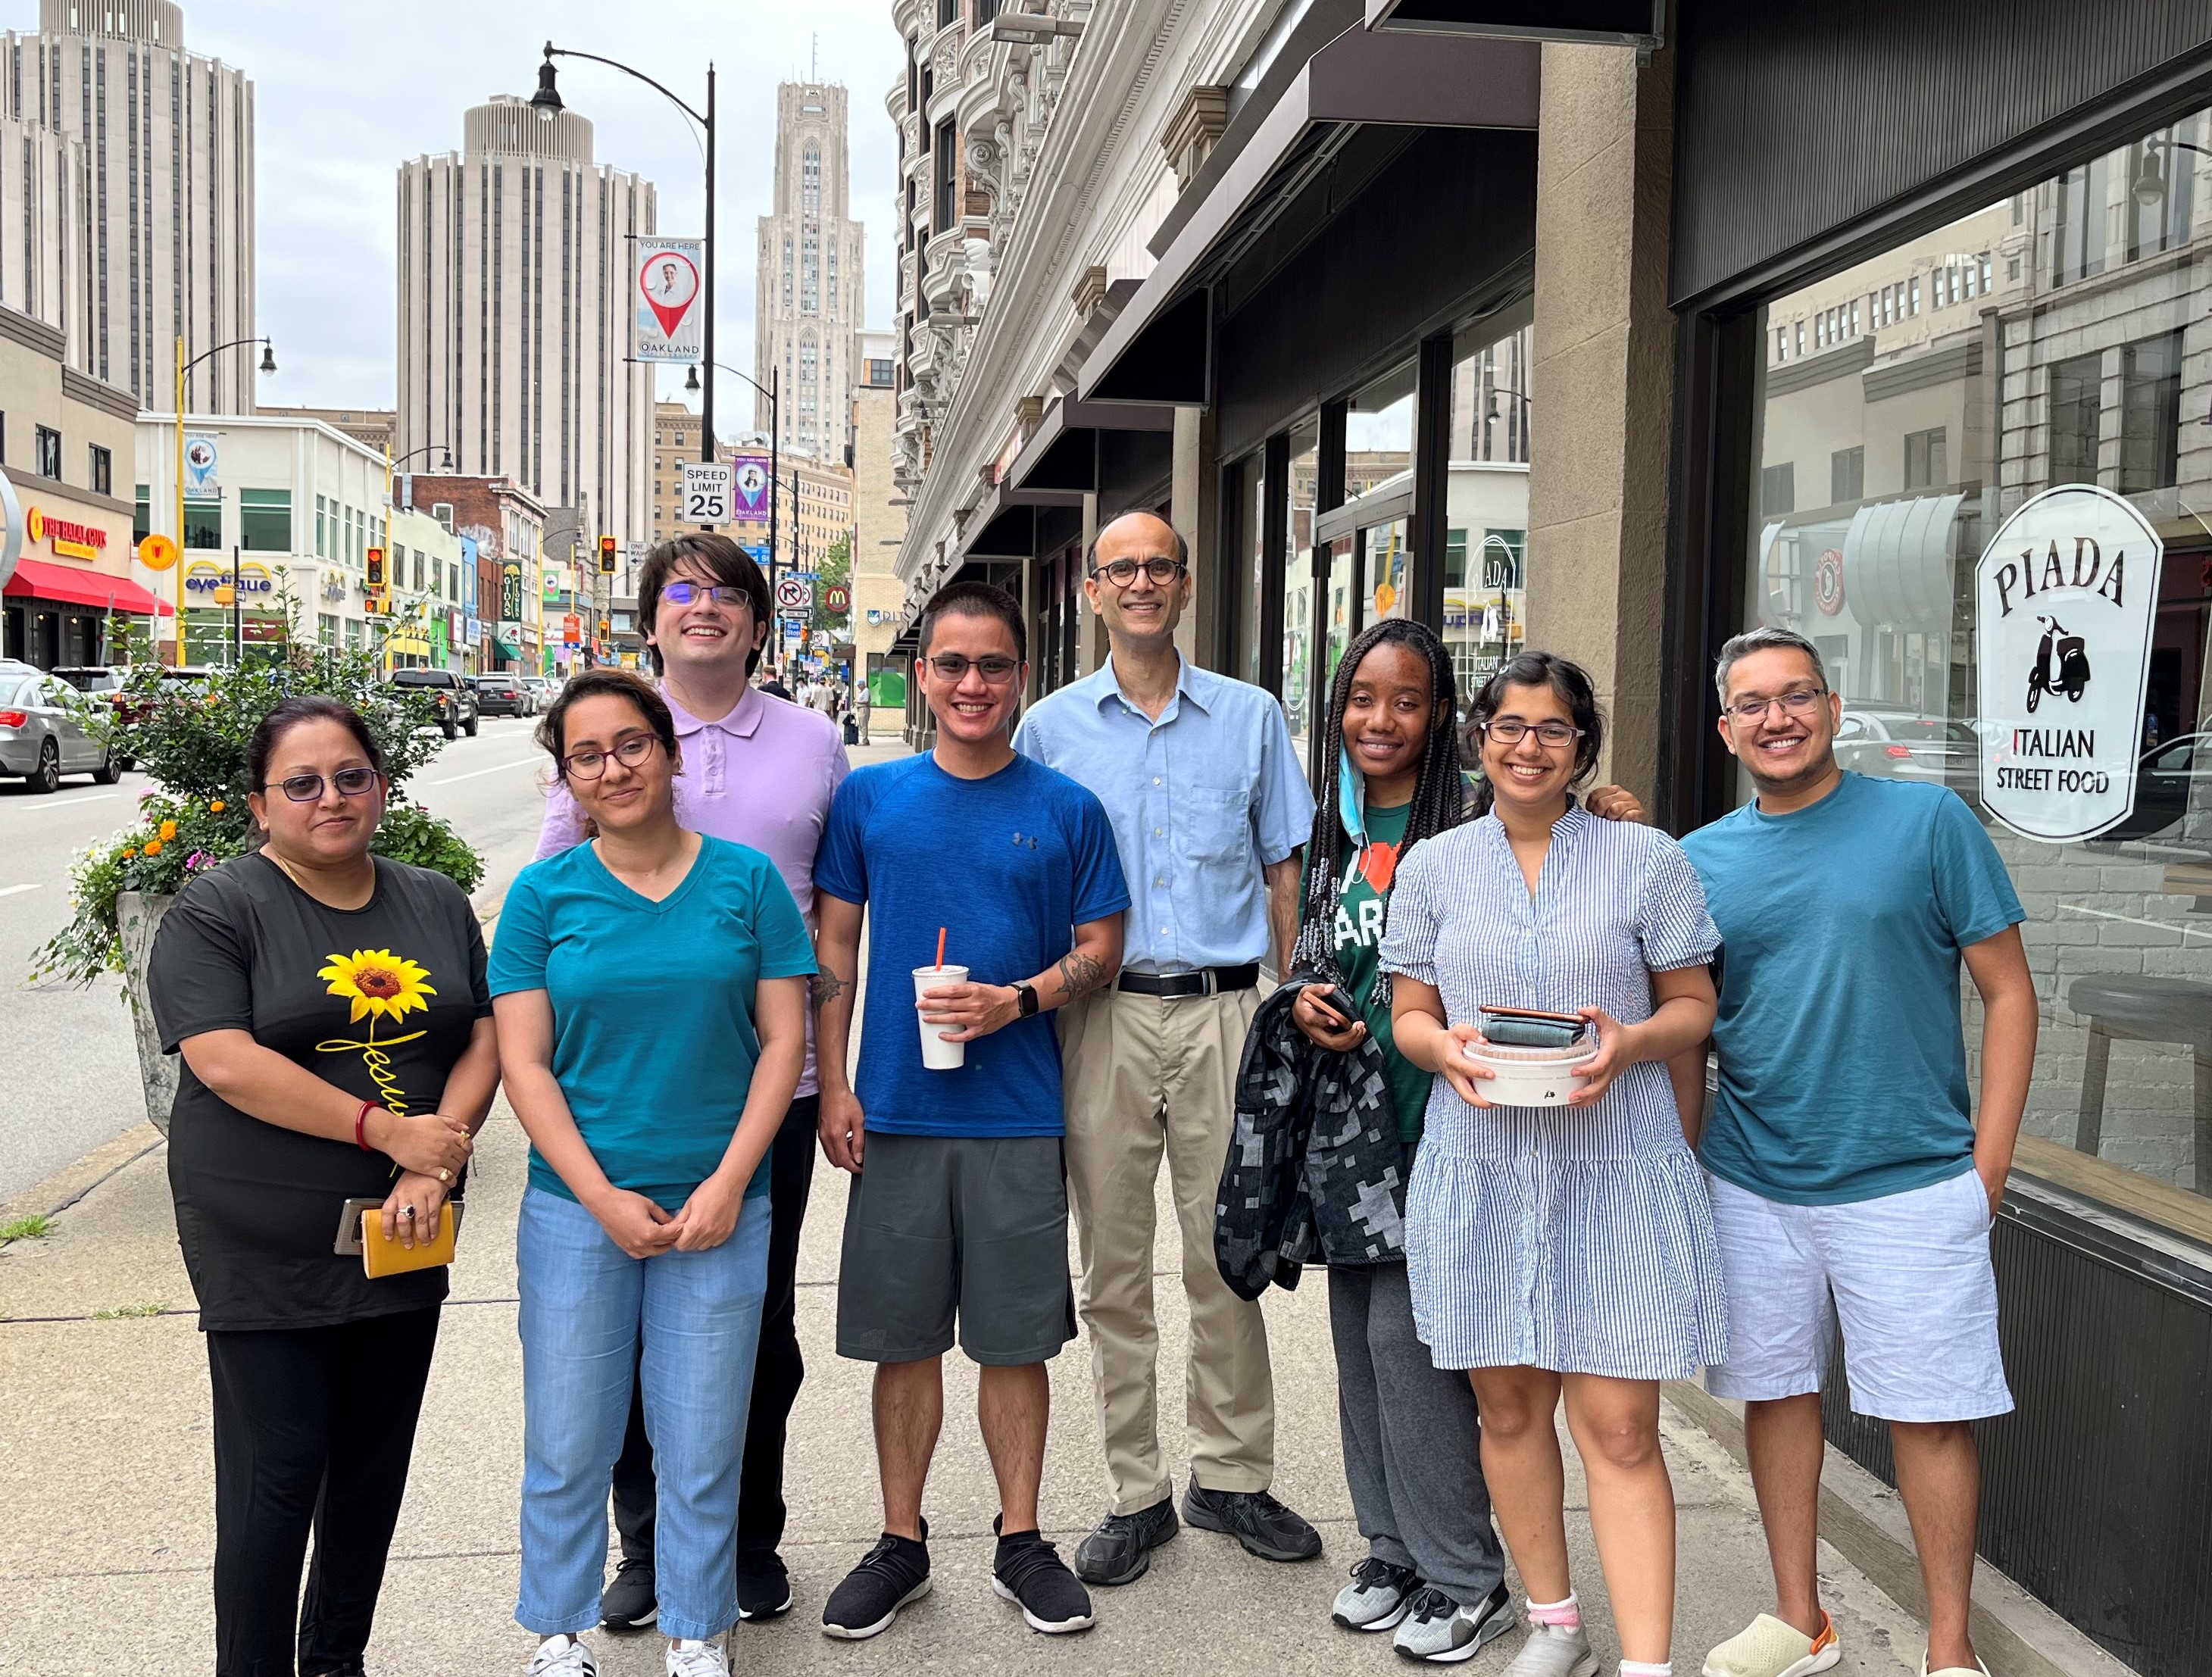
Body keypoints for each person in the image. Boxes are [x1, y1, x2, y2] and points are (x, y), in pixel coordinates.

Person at [1684, 627, 2035, 1677]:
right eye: (1754, 703)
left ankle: (1950, 1648)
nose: (1778, 717)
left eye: (1797, 696)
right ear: (1726, 728)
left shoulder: (1927, 820)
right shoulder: (1700, 859)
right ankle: (1803, 1620)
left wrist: (1991, 1169)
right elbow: (1687, 1025)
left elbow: (2010, 991)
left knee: (1929, 1415)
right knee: (1776, 1394)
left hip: (1915, 1180)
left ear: (1834, 710)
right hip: (1753, 1176)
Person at [1382, 651, 1724, 1677]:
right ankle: (1555, 1621)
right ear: (1478, 736)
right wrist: (1445, 1050)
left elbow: (1694, 1006)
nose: (1529, 745)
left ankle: (1648, 1664)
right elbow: (1408, 1015)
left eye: (1554, 728)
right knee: (1510, 1408)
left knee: (1619, 1427)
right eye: (1510, 724)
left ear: (1583, 746)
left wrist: (1629, 1042)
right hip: (1482, 1167)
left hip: (1615, 1165)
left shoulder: (1645, 857)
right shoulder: (1434, 866)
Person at [533, 533, 848, 1630]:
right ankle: (646, 1542)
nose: (703, 607)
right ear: (650, 619)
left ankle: (744, 1538)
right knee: (617, 1322)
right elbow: (550, 911)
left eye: (727, 593)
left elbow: (837, 921)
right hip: (621, 1089)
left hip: (773, 1086)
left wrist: (839, 1074)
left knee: (752, 1323)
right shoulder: (603, 737)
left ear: (763, 622)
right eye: (680, 591)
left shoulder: (816, 742)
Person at [150, 697, 498, 1677]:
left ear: (382, 788)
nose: (330, 797)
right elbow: (224, 1060)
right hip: (264, 1239)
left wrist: (434, 1158)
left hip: (404, 1227)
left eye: (351, 775)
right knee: (279, 1473)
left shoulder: (433, 899)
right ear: (261, 805)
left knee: (371, 1472)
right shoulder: (220, 908)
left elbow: (482, 1030)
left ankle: (335, 1660)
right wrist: (392, 1131)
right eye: (301, 782)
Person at [811, 580, 1129, 1641]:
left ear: (1020, 675)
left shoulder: (1066, 808)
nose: (972, 683)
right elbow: (838, 953)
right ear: (924, 675)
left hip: (1015, 1113)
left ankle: (1021, 1537)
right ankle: (902, 1542)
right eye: (952, 664)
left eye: (993, 664)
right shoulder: (872, 800)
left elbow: (1102, 950)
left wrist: (1017, 999)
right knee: (903, 1341)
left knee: (1013, 1341)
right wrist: (837, 1081)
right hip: (897, 1111)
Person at [1013, 510, 1325, 1585]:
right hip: (1100, 1013)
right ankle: (1136, 1490)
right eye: (1121, 568)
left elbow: (1284, 866)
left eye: (1160, 565)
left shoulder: (1249, 717)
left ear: (1186, 585)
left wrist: (1283, 1000)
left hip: (1228, 1012)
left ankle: (1231, 1474)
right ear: (1094, 591)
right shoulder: (1050, 730)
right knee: (1111, 1266)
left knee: (1226, 1253)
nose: (1141, 581)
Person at [493, 669, 815, 1677]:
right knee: (571, 1433)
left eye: (630, 743)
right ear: (567, 778)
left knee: (705, 1434)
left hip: (723, 1202)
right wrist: (596, 1194)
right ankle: (557, 1629)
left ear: (671, 750)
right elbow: (524, 1062)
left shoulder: (748, 880)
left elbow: (781, 1043)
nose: (612, 767)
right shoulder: (543, 895)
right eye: (585, 754)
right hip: (576, 1208)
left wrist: (728, 1182)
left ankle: (695, 1627)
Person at [1283, 620, 1514, 1664]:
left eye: (1407, 698)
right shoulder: (1325, 816)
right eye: (1363, 697)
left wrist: (1601, 810)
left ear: (1442, 713)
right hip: (1348, 1129)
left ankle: (1468, 1572)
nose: (1381, 718)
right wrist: (1302, 1006)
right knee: (1357, 1348)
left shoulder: (1476, 817)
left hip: (1446, 1124)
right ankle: (1391, 1548)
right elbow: (1308, 952)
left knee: (1409, 1348)